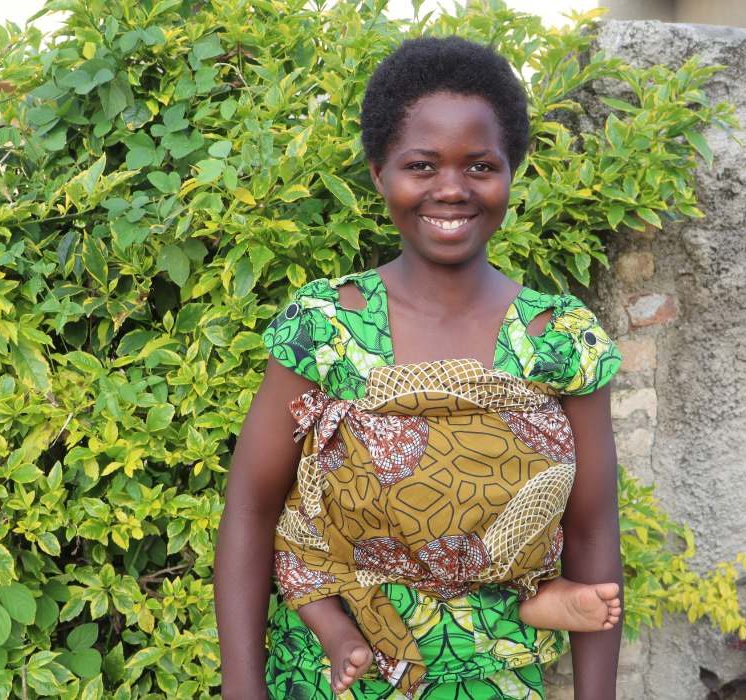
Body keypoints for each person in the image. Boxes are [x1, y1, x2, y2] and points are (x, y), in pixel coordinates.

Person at [214, 36, 625, 700]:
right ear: (379, 172)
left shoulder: (561, 338)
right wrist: (242, 687)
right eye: (422, 165)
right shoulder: (326, 324)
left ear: (513, 170)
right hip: (332, 678)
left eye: (481, 165)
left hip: (492, 675)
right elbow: (252, 506)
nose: (452, 189)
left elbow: (590, 527)